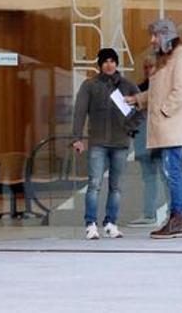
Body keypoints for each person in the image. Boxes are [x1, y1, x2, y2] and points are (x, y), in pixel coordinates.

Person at [125, 19, 182, 239]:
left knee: (172, 172)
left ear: (166, 35)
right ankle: (177, 218)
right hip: (167, 127)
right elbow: (158, 92)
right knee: (171, 173)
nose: (152, 40)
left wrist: (164, 112)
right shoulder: (166, 59)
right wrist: (137, 99)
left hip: (172, 127)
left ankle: (178, 218)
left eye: (155, 35)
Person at [71, 48, 141, 239]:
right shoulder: (90, 85)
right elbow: (79, 112)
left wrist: (132, 129)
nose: (109, 65)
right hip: (98, 142)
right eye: (105, 61)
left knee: (116, 186)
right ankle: (91, 224)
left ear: (116, 63)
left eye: (112, 61)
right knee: (94, 184)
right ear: (100, 65)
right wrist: (77, 138)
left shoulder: (127, 85)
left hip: (120, 142)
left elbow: (142, 107)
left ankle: (111, 223)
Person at [126, 54, 161, 228]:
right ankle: (149, 213)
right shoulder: (139, 90)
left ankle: (173, 212)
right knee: (149, 177)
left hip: (161, 138)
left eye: (151, 66)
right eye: (146, 67)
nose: (148, 70)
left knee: (167, 176)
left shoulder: (162, 87)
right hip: (143, 138)